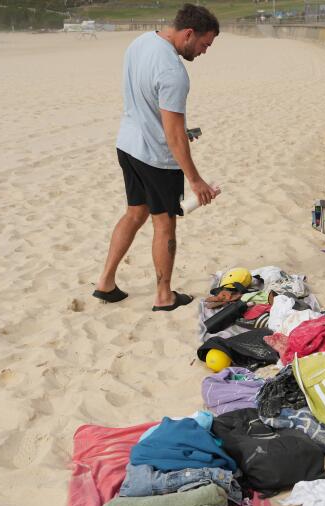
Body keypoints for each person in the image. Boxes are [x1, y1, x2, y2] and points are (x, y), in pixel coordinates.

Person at [94, 4, 220, 311]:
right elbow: (174, 137)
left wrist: (176, 130)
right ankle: (164, 296)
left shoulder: (141, 42)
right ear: (189, 34)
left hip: (128, 145)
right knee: (164, 224)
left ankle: (105, 283)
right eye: (204, 44)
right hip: (155, 157)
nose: (204, 52)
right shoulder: (174, 72)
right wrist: (196, 180)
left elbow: (145, 98)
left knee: (134, 213)